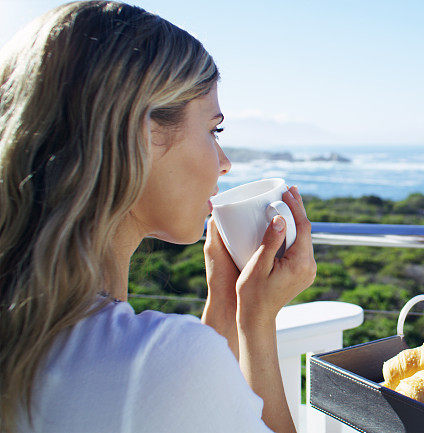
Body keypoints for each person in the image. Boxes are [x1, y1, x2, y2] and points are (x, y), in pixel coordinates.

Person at [0, 2, 316, 432]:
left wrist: (227, 302)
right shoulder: (152, 362)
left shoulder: (34, 327)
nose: (223, 163)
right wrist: (257, 322)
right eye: (213, 130)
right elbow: (158, 384)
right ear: (141, 135)